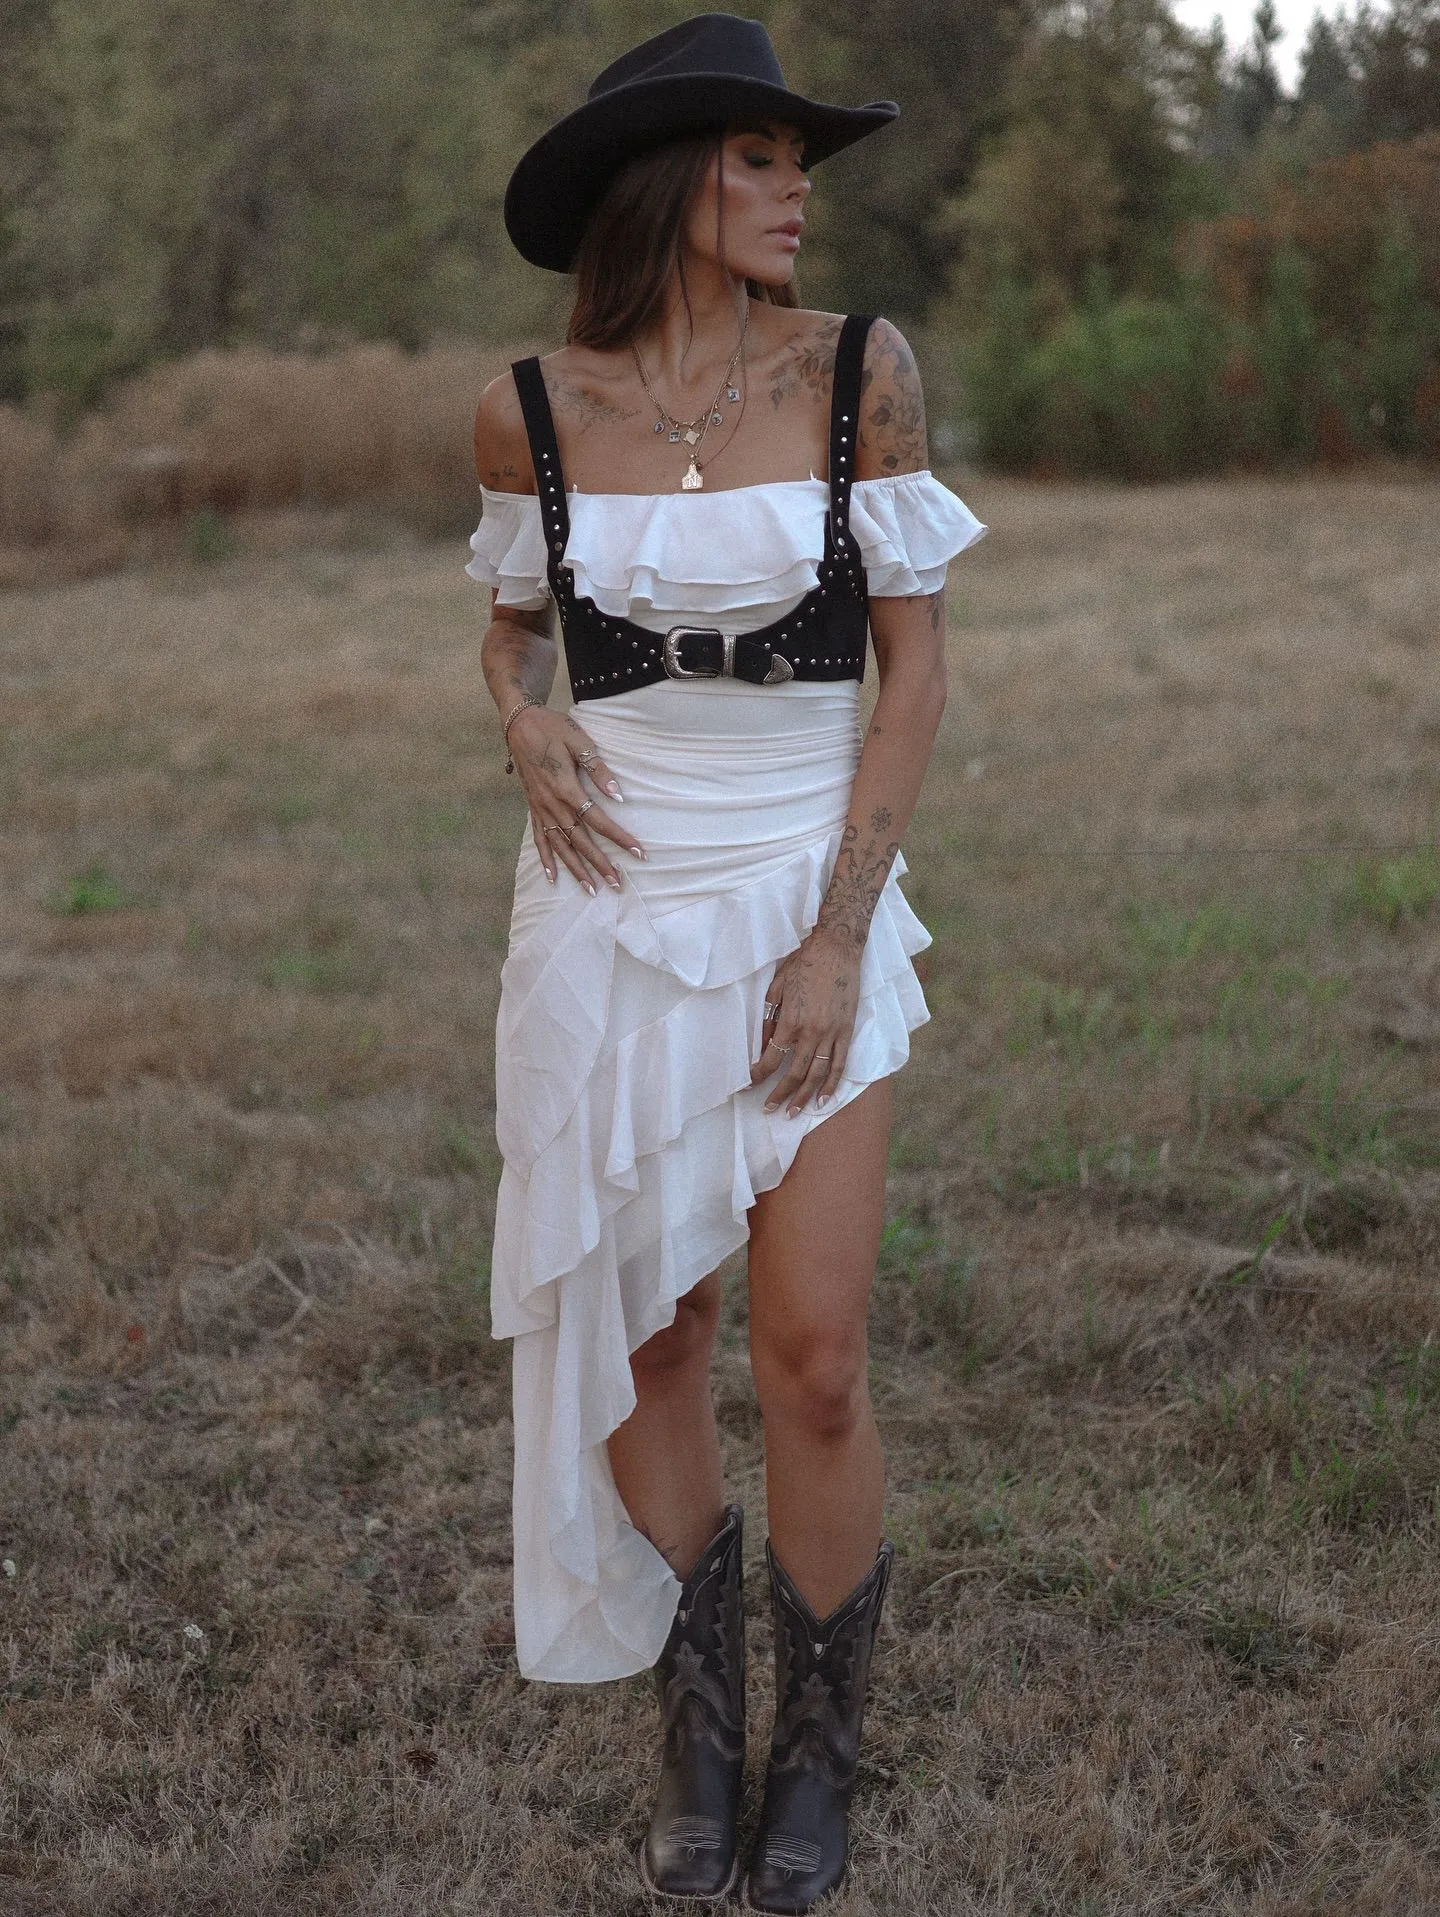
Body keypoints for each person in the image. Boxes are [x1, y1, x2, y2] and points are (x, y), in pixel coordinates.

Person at [466, 14, 986, 1910]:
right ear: (671, 183)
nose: (794, 196)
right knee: (658, 1339)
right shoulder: (532, 404)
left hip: (799, 870)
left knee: (817, 1353)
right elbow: (510, 632)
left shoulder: (866, 372)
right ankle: (698, 1731)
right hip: (601, 898)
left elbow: (915, 671)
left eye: (801, 166)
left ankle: (820, 1758)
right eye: (760, 162)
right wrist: (519, 723)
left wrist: (838, 934)